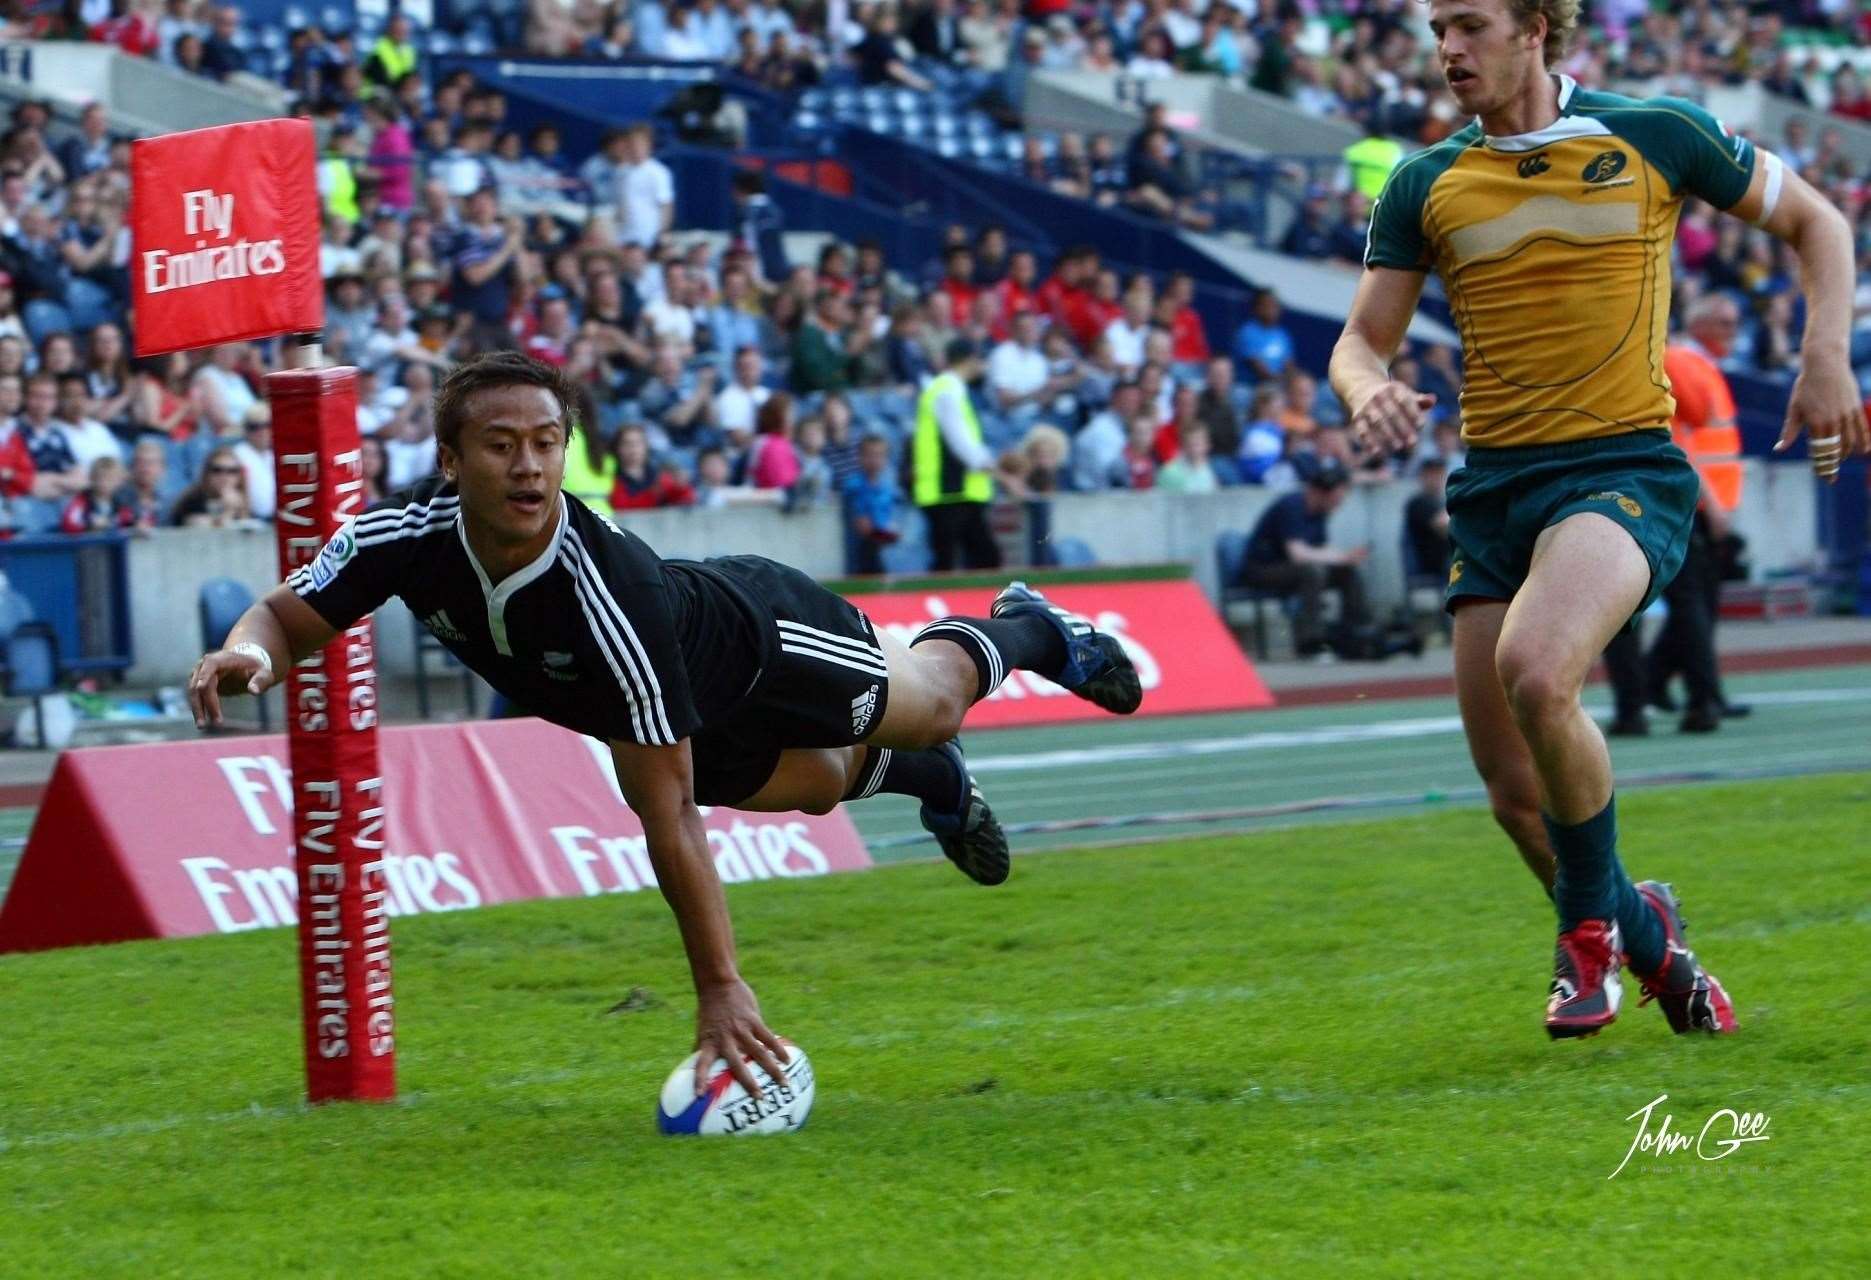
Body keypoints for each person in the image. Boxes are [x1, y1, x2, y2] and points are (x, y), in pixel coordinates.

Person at [188, 352, 1142, 1101]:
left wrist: (720, 986)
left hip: (761, 637)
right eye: (500, 444)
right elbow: (284, 615)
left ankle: (1031, 626)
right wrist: (251, 657)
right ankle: (938, 788)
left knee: (928, 710)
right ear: (449, 459)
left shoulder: (607, 598)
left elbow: (668, 811)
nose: (527, 465)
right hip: (674, 705)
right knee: (811, 789)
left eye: (546, 442)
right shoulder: (400, 539)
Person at [1330, 0, 1865, 1040]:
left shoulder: (1652, 135)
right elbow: (1360, 341)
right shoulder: (1421, 183)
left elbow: (1819, 224)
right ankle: (1651, 941)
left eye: (1469, 24)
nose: (1445, 49)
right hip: (1491, 490)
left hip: (1620, 469)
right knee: (1511, 793)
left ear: (1536, 25)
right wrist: (1364, 392)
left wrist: (1824, 352)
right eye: (1436, 28)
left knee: (1537, 670)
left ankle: (1584, 936)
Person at [1238, 456, 1369, 655]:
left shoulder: (1320, 513)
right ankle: (1312, 641)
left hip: (1291, 567)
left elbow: (1321, 549)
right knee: (1312, 572)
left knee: (1347, 571)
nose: (1338, 505)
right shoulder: (1293, 507)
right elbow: (1297, 553)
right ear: (1321, 493)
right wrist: (1339, 557)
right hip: (1262, 569)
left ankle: (1355, 632)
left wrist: (1346, 557)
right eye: (1336, 498)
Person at [914, 338, 1001, 571]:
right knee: (968, 560)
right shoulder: (947, 390)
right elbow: (959, 440)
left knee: (972, 558)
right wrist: (989, 465)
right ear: (969, 360)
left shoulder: (947, 389)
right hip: (951, 490)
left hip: (955, 492)